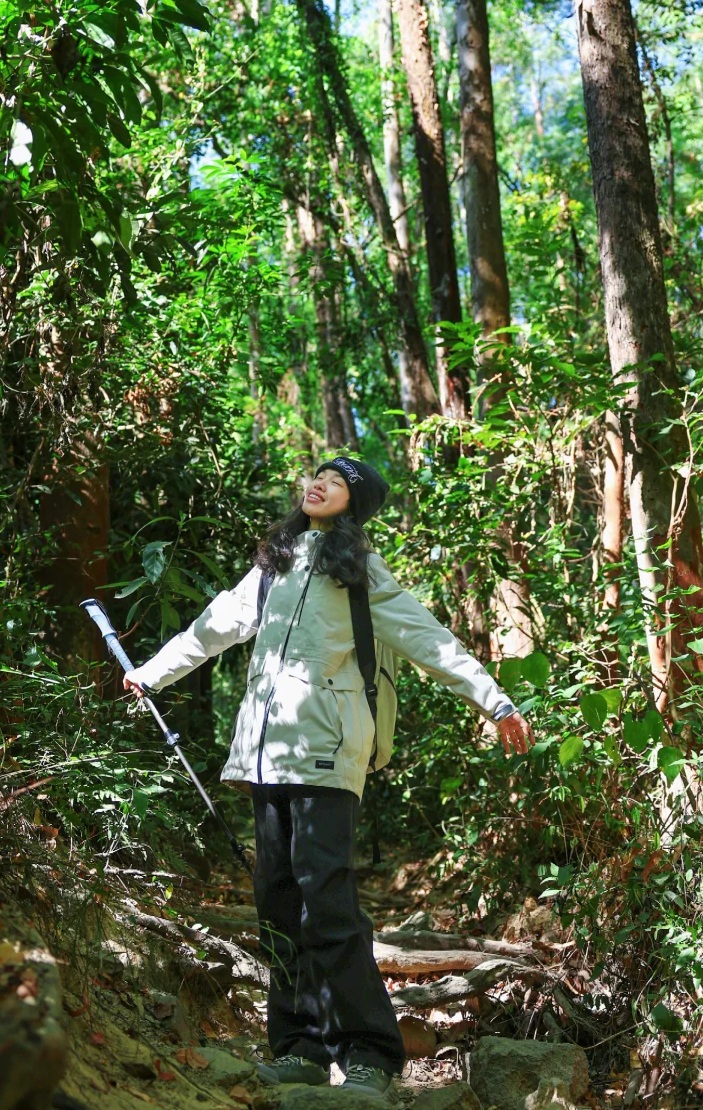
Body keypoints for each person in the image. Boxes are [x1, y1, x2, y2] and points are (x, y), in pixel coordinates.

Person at [124, 456, 531, 1099]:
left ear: (353, 504)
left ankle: (369, 1051)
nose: (319, 485)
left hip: (329, 751)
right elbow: (213, 627)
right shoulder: (274, 565)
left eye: (337, 482)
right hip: (265, 755)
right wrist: (150, 673)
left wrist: (496, 702)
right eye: (318, 476)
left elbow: (428, 639)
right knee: (278, 902)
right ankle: (299, 1048)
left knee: (328, 903)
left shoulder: (360, 570)